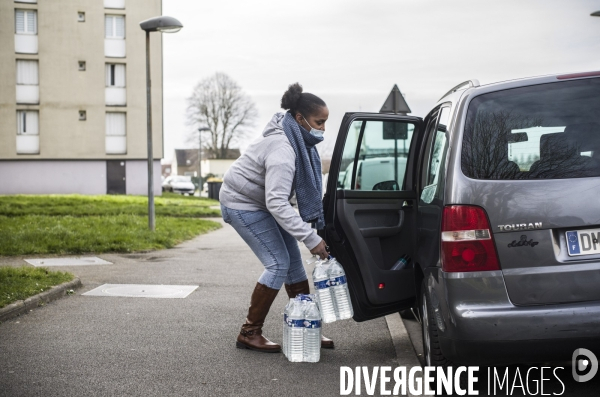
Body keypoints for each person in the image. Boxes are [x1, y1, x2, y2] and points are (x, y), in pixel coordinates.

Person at [219, 83, 333, 353]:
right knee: (278, 264)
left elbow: (282, 199)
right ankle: (249, 332)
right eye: (320, 122)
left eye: (326, 122)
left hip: (262, 204)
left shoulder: (298, 142)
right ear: (299, 119)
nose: (323, 129)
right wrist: (310, 237)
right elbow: (277, 202)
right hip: (242, 204)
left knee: (294, 266)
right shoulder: (283, 149)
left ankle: (305, 327)